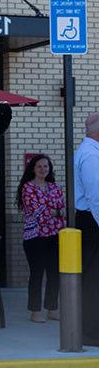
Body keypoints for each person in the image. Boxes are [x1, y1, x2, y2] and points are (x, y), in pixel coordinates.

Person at [16, 154, 65, 323]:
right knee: (37, 273)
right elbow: (37, 211)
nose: (43, 169)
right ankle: (35, 311)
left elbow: (61, 208)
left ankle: (52, 308)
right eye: (39, 166)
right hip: (34, 237)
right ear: (33, 169)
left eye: (46, 166)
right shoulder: (27, 188)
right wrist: (54, 211)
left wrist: (52, 211)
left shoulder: (55, 187)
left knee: (54, 274)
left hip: (54, 236)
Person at [75, 113, 99, 345]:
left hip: (89, 220)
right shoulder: (91, 155)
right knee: (93, 279)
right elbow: (96, 197)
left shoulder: (89, 152)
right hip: (92, 222)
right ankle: (91, 333)